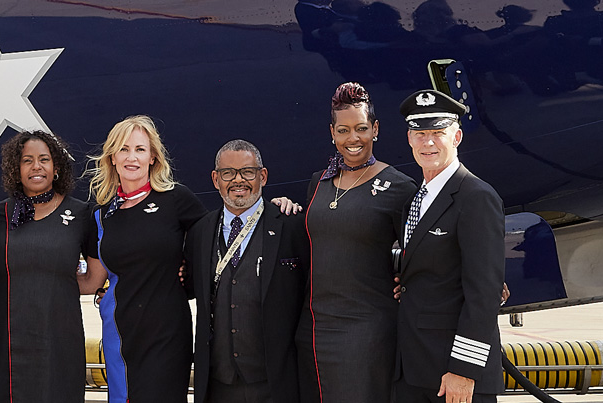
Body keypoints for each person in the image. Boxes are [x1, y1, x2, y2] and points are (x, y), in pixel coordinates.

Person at [296, 82, 417, 403]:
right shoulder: (318, 183)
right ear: (332, 133)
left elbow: (423, 251)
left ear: (375, 129)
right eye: (344, 130)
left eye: (362, 129)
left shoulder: (398, 187)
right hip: (314, 330)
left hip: (367, 331)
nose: (353, 139)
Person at [394, 89, 505, 403]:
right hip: (415, 368)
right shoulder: (417, 199)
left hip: (452, 374)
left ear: (457, 136)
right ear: (409, 139)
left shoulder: (476, 197)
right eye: (420, 133)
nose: (428, 142)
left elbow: (484, 292)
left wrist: (464, 370)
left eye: (438, 133)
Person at [0, 130, 106, 403]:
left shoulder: (81, 214)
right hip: (8, 342)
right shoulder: (0, 215)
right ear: (17, 168)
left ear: (56, 167)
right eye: (27, 160)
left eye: (44, 159)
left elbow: (95, 279)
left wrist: (59, 286)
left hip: (59, 338)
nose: (36, 166)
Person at [87, 115, 206, 403]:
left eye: (140, 149)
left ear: (153, 157)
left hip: (167, 334)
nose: (132, 157)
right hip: (119, 333)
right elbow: (92, 279)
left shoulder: (177, 199)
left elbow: (217, 235)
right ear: (112, 157)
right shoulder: (101, 214)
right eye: (124, 149)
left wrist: (272, 209)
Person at [186, 139, 309, 403]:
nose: (238, 180)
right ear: (215, 179)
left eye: (247, 172)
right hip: (218, 384)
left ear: (262, 176)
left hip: (274, 383)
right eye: (228, 173)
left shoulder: (292, 225)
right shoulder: (200, 232)